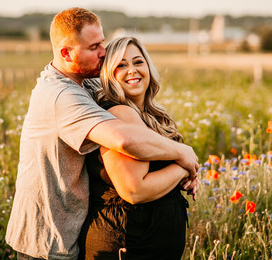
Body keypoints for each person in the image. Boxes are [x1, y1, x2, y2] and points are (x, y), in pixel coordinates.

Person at [5, 8, 199, 260]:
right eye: (94, 46)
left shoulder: (88, 82)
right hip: (48, 240)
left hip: (70, 231)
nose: (103, 52)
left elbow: (122, 92)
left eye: (103, 42)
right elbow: (124, 140)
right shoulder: (60, 96)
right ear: (66, 53)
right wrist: (186, 157)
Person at [79, 37, 198, 260]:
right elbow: (135, 190)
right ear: (109, 75)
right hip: (126, 242)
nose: (132, 70)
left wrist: (181, 172)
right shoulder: (119, 113)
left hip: (144, 242)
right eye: (121, 65)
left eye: (138, 62)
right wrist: (185, 168)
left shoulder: (149, 115)